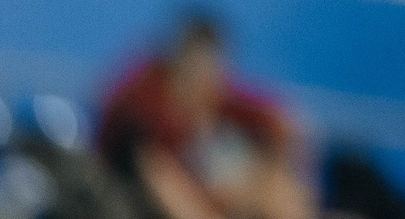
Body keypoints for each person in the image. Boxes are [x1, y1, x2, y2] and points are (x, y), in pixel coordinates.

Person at [95, 15, 311, 219]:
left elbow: (280, 123)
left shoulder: (221, 98)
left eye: (210, 71)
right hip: (137, 197)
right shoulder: (142, 103)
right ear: (177, 64)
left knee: (274, 181)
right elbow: (164, 181)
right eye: (193, 69)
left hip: (210, 187)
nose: (201, 81)